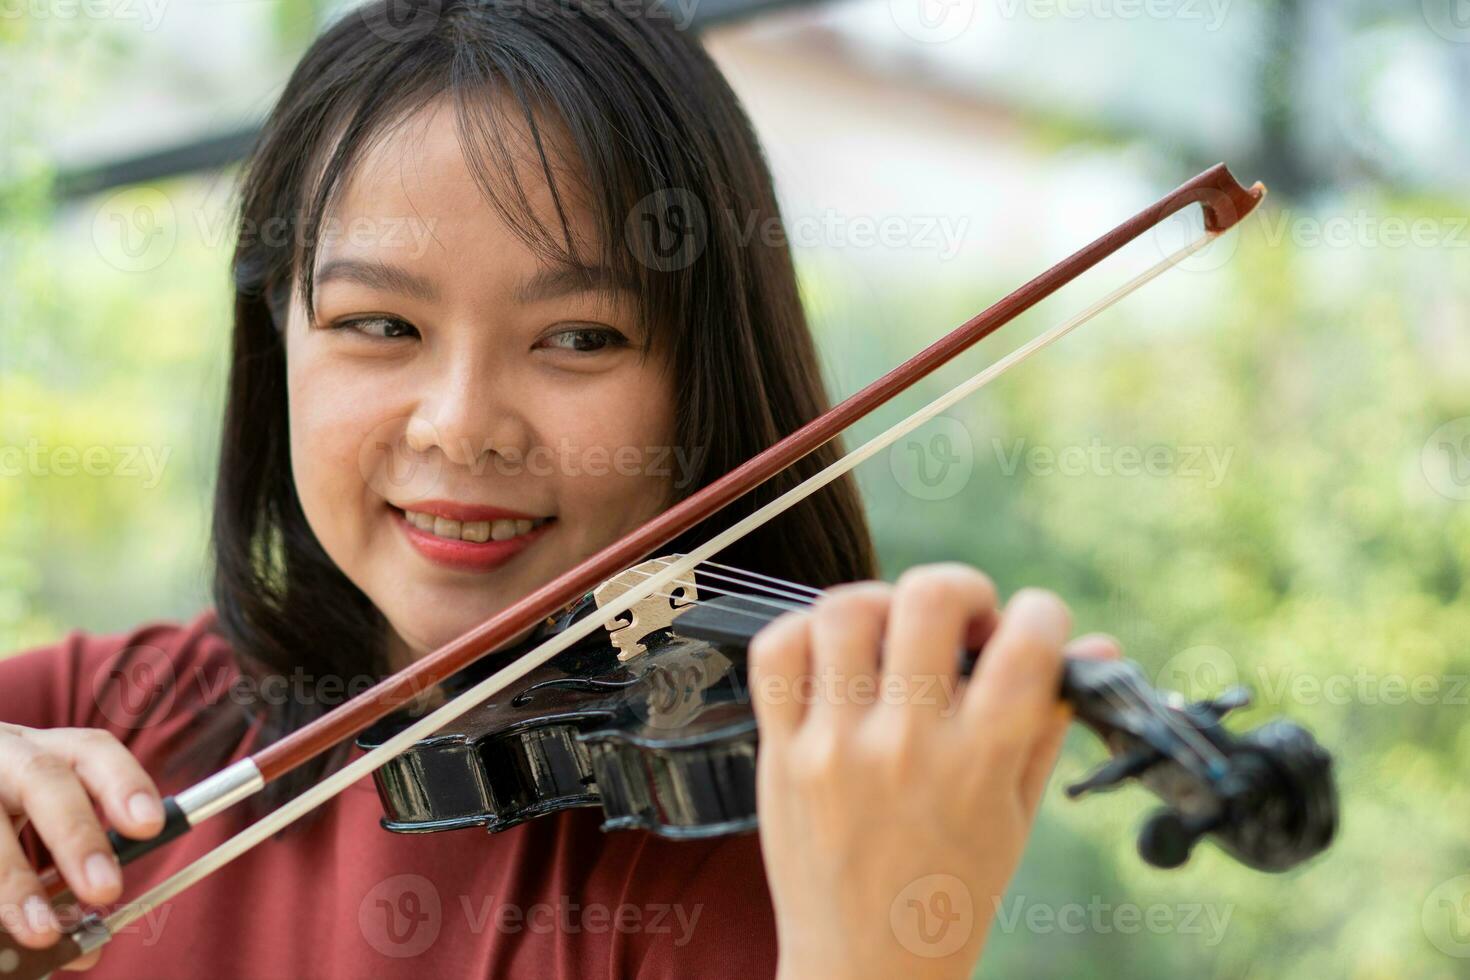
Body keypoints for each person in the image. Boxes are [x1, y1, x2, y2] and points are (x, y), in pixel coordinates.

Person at [0, 1, 1118, 976]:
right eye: (379, 325)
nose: (461, 424)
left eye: (579, 336)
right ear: (277, 336)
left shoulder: (772, 850)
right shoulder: (104, 724)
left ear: (704, 378)